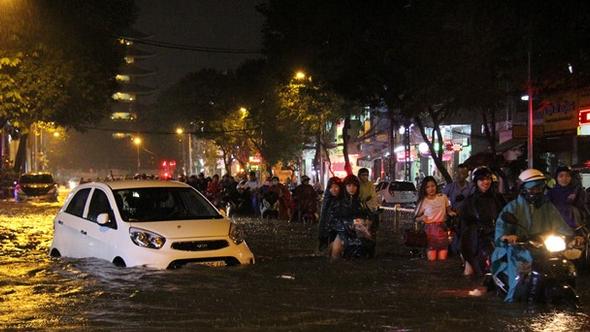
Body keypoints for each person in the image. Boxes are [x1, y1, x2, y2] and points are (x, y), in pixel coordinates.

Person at [491, 168, 574, 302]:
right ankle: (513, 299)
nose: (536, 191)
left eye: (539, 188)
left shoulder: (547, 207)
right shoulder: (512, 208)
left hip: (543, 247)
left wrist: (573, 237)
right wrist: (506, 237)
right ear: (523, 189)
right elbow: (501, 229)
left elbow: (560, 225)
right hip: (518, 249)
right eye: (533, 188)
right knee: (520, 272)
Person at [459, 167, 506, 276]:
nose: (486, 182)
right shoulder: (470, 201)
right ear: (476, 182)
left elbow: (505, 215)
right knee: (469, 272)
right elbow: (463, 224)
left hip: (496, 238)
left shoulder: (498, 198)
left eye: (488, 179)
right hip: (475, 240)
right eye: (482, 179)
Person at [328, 175, 373, 259]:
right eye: (349, 186)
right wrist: (348, 224)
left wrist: (366, 222)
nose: (352, 188)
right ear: (345, 187)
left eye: (354, 186)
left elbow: (367, 216)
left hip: (358, 231)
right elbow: (333, 220)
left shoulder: (360, 203)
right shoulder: (338, 202)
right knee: (336, 251)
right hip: (343, 232)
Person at [414, 176, 456, 261]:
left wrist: (455, 214)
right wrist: (422, 217)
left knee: (442, 259)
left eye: (433, 186)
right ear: (424, 189)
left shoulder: (443, 197)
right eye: (427, 187)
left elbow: (449, 211)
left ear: (436, 186)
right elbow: (415, 218)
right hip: (429, 232)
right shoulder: (423, 201)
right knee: (432, 260)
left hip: (442, 229)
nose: (431, 189)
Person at [546, 166, 589, 230]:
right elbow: (546, 209)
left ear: (571, 178)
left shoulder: (578, 192)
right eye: (561, 176)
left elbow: (585, 210)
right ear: (556, 178)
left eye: (567, 176)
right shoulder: (551, 193)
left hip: (576, 227)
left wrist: (575, 202)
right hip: (555, 228)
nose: (564, 178)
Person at [357, 168, 379, 256]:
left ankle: (370, 251)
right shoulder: (357, 185)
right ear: (359, 176)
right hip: (360, 211)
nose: (365, 177)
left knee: (371, 231)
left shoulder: (370, 185)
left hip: (370, 211)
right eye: (363, 175)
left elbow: (373, 197)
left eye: (366, 174)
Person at [318, 177, 342, 251]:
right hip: (328, 232)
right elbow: (323, 219)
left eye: (336, 187)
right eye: (331, 187)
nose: (333, 189)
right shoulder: (327, 201)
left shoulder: (343, 201)